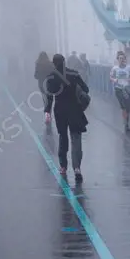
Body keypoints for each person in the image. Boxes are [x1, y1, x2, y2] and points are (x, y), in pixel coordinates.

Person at [44, 53, 89, 183]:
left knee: (63, 137)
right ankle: (77, 168)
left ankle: (63, 166)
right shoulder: (74, 74)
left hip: (60, 111)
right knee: (76, 138)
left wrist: (47, 111)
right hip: (75, 110)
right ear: (64, 62)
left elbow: (49, 96)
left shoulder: (51, 77)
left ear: (54, 63)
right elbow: (86, 89)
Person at [110, 50, 130, 131]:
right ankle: (126, 124)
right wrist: (114, 80)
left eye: (123, 58)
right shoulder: (114, 68)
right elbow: (110, 77)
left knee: (128, 108)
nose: (121, 60)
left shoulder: (129, 68)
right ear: (118, 59)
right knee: (124, 107)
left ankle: (126, 120)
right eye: (120, 58)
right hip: (118, 89)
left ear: (125, 59)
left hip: (127, 89)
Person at [34, 51, 55, 125]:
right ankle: (49, 113)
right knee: (50, 99)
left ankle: (47, 114)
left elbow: (36, 76)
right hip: (50, 84)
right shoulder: (51, 64)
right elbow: (54, 73)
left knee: (45, 99)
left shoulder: (38, 64)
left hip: (42, 84)